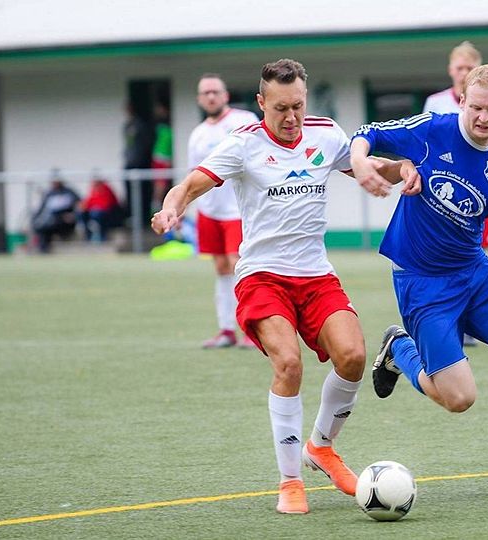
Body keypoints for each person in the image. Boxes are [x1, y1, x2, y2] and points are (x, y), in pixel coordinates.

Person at [151, 59, 413, 514]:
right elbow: (190, 184)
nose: (291, 117)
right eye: (280, 109)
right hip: (262, 277)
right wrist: (171, 209)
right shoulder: (243, 145)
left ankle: (322, 448)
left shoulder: (326, 134)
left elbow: (371, 167)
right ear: (260, 104)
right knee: (288, 363)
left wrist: (403, 169)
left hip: (315, 275)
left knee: (352, 356)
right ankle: (290, 480)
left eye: (298, 106)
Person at [352, 64, 488, 497]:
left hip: (474, 272)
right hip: (422, 282)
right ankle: (400, 350)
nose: (483, 118)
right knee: (458, 399)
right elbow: (369, 132)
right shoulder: (432, 130)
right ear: (462, 101)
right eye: (475, 108)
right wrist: (362, 164)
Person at [187, 73, 261, 349]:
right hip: (209, 210)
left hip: (237, 210)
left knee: (238, 265)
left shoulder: (243, 122)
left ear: (225, 95)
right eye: (205, 93)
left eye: (215, 91)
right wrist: (184, 204)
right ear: (199, 99)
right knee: (220, 267)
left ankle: (251, 330)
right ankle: (226, 329)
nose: (210, 96)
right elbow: (193, 173)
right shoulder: (198, 134)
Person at [423, 40, 488, 251]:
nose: (463, 72)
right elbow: (425, 143)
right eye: (459, 68)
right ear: (450, 70)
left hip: (479, 182)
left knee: (480, 246)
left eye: (469, 68)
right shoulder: (435, 102)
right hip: (444, 181)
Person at [122, 101, 156, 220]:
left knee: (141, 192)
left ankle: (142, 217)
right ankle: (133, 215)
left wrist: (139, 160)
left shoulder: (140, 125)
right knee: (130, 191)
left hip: (139, 163)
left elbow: (144, 145)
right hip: (130, 163)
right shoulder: (127, 125)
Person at [31, 175, 80, 253]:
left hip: (66, 222)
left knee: (49, 225)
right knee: (41, 227)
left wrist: (73, 215)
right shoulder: (49, 193)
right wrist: (35, 219)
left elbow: (80, 205)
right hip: (52, 221)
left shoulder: (69, 192)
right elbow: (41, 209)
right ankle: (43, 250)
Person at [79, 174, 123, 242]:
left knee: (97, 214)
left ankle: (103, 237)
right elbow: (88, 202)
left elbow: (107, 204)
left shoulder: (106, 189)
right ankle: (88, 236)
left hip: (108, 214)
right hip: (94, 212)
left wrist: (94, 208)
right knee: (81, 214)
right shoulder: (93, 190)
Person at [151, 101, 174, 213]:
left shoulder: (170, 125)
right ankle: (156, 208)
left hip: (165, 157)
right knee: (160, 184)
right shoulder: (159, 126)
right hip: (160, 157)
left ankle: (161, 206)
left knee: (163, 184)